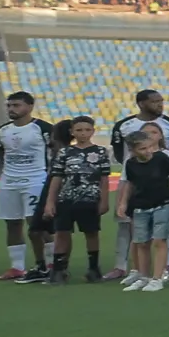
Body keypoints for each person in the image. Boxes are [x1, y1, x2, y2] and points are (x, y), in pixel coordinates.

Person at [41, 115, 115, 283]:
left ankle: (93, 268)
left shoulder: (100, 152)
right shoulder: (65, 152)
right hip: (66, 199)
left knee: (91, 233)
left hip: (90, 199)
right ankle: (58, 269)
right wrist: (50, 202)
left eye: (87, 130)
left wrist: (104, 200)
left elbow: (104, 179)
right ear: (72, 132)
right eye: (79, 130)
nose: (83, 133)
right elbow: (57, 178)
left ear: (93, 131)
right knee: (62, 233)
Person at [0, 90, 52, 282]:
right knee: (12, 223)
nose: (11, 109)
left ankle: (49, 265)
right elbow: (2, 155)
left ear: (30, 107)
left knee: (39, 225)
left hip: (36, 181)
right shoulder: (2, 131)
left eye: (16, 105)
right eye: (9, 105)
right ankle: (17, 267)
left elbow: (56, 153)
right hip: (9, 182)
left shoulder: (43, 128)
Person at [114, 127, 169, 291]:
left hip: (162, 204)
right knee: (141, 242)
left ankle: (157, 277)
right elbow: (130, 184)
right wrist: (123, 203)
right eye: (143, 148)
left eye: (149, 146)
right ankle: (143, 277)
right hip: (140, 207)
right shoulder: (130, 164)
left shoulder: (162, 159)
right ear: (132, 150)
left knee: (159, 240)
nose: (148, 151)